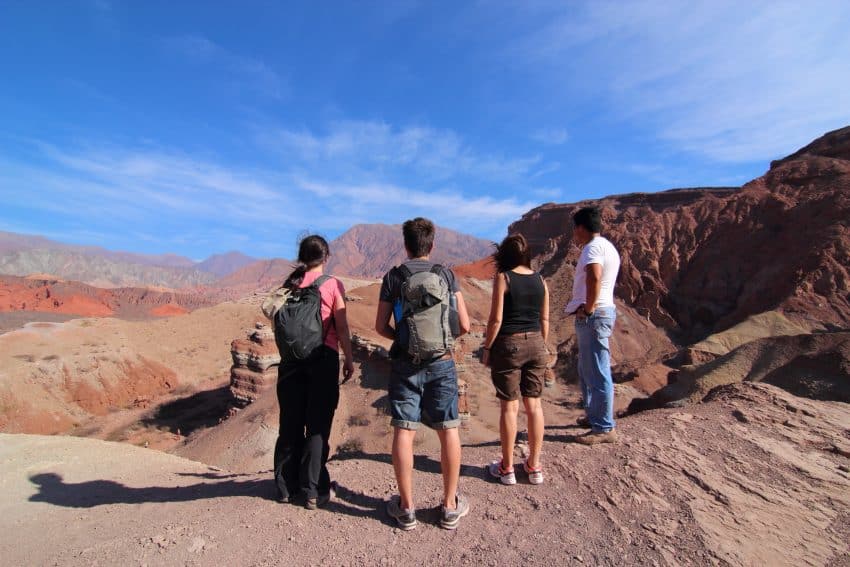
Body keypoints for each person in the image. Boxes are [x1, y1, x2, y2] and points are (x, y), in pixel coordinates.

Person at [375, 217, 471, 530]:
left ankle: (406, 508)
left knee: (404, 430)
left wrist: (404, 341)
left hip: (405, 364)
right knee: (448, 429)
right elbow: (465, 325)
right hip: (442, 363)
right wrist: (441, 343)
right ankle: (449, 505)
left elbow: (380, 326)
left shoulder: (393, 277)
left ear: (405, 244)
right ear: (432, 244)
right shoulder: (446, 275)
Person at [272, 235, 355, 509]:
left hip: (290, 363)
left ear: (301, 257)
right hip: (322, 360)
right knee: (317, 427)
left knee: (290, 423)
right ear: (326, 256)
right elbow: (341, 327)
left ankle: (285, 486)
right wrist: (349, 359)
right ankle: (312, 490)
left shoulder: (288, 286)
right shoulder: (332, 285)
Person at [481, 233, 549, 485]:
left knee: (510, 406)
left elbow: (496, 319)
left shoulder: (504, 278)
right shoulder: (541, 279)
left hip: (509, 344)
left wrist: (487, 347)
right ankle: (534, 466)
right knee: (535, 406)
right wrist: (544, 344)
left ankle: (507, 467)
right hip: (536, 343)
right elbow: (545, 319)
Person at [565, 207, 621, 444]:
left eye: (574, 229)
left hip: (595, 315)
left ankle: (604, 428)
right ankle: (594, 416)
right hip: (599, 312)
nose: (574, 234)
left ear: (580, 227)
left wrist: (588, 308)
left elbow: (594, 277)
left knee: (597, 370)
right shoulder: (608, 246)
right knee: (587, 368)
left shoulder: (593, 248)